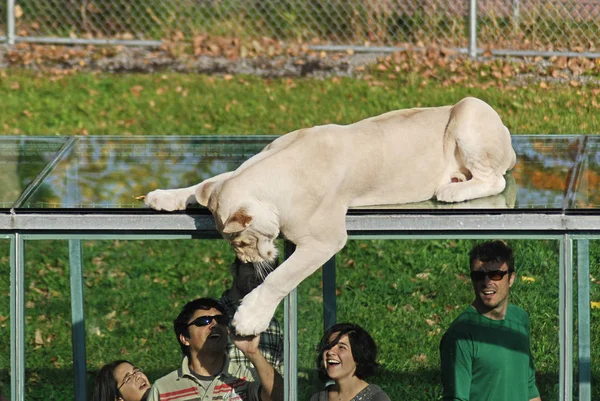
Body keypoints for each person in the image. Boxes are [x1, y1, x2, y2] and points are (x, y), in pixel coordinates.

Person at [439, 240, 542, 401]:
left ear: (511, 278)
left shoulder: (520, 319)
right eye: (479, 276)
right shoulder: (460, 335)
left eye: (496, 275)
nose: (487, 283)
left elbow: (529, 388)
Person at [147, 297, 283, 401]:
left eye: (220, 319)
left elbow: (282, 397)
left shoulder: (246, 377)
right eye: (204, 321)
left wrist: (253, 353)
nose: (214, 324)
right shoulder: (163, 388)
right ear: (185, 338)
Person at [220, 257, 284, 373]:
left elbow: (282, 380)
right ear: (234, 269)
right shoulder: (211, 319)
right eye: (251, 267)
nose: (259, 275)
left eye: (266, 269)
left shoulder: (272, 324)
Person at [310, 323, 391, 401]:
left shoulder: (377, 398)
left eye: (341, 347)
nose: (330, 352)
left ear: (358, 356)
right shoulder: (317, 398)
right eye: (328, 347)